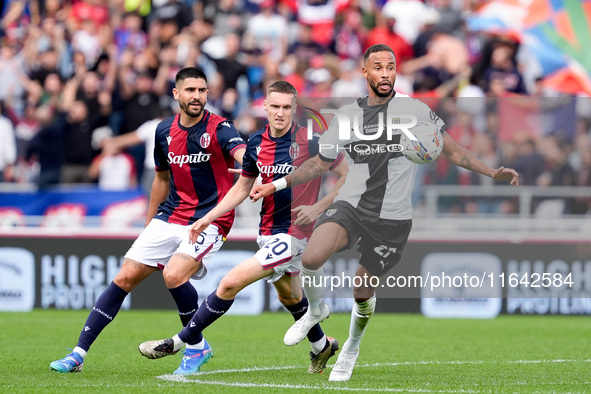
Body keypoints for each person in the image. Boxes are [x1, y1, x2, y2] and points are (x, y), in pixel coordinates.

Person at [249, 44, 520, 382]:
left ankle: (351, 346)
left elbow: (453, 151)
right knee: (312, 258)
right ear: (365, 72)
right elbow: (319, 163)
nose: (385, 73)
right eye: (378, 67)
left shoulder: (414, 110)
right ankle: (317, 309)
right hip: (351, 203)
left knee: (361, 291)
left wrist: (491, 172)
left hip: (392, 217)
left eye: (391, 67)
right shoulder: (347, 115)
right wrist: (274, 186)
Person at [137, 80, 348, 375]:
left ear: (294, 108)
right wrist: (208, 217)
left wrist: (319, 206)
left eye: (286, 107)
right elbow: (241, 188)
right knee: (289, 297)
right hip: (268, 232)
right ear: (265, 106)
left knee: (230, 282)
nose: (280, 113)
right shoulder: (257, 143)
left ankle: (177, 342)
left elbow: (348, 175)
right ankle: (321, 346)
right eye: (275, 106)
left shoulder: (311, 140)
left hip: (297, 235)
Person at [49, 67, 246, 372]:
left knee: (174, 275)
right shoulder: (163, 131)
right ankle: (78, 354)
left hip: (210, 218)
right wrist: (149, 223)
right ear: (176, 94)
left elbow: (242, 153)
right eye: (190, 90)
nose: (197, 96)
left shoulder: (221, 128)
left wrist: (251, 163)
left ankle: (194, 348)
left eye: (202, 90)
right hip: (169, 216)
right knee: (124, 277)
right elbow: (161, 180)